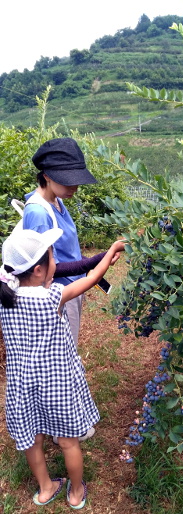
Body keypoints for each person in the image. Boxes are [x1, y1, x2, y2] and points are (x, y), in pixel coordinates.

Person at [0, 228, 125, 508]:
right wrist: (109, 254)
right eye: (53, 257)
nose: (56, 263)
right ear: (37, 270)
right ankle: (77, 492)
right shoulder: (53, 296)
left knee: (32, 441)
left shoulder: (5, 297)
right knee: (69, 442)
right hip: (56, 384)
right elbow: (92, 279)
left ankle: (45, 489)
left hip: (21, 385)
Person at [23, 137, 119, 442]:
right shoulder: (38, 212)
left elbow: (64, 253)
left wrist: (88, 265)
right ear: (47, 176)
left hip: (69, 291)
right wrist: (93, 262)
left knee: (67, 354)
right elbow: (40, 269)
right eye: (68, 181)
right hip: (57, 298)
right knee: (60, 361)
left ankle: (62, 418)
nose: (74, 187)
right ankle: (61, 426)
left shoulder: (56, 201)